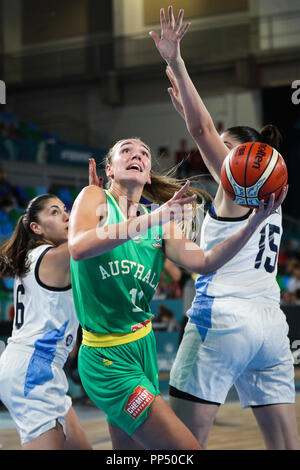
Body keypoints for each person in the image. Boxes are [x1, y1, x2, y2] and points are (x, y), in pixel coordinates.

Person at [68, 136, 284, 451]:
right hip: (106, 357)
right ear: (109, 170)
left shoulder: (161, 223)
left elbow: (206, 262)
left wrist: (253, 225)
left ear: (148, 172)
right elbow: (78, 248)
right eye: (126, 151)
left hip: (143, 348)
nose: (137, 155)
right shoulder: (95, 198)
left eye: (144, 153)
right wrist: (154, 217)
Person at [150, 6, 299, 450]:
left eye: (226, 148)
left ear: (242, 157)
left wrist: (175, 58)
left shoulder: (239, 182)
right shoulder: (271, 193)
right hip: (271, 327)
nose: (219, 156)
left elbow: (199, 127)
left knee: (184, 445)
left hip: (224, 321)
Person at [0, 193, 93, 450]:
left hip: (34, 365)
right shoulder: (52, 256)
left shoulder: (34, 256)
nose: (65, 215)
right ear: (35, 227)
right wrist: (98, 201)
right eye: (54, 212)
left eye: (65, 209)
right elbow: (97, 237)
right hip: (32, 369)